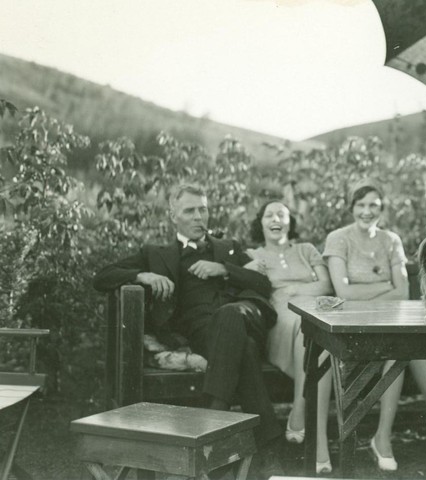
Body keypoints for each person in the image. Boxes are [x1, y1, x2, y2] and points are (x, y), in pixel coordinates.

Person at [92, 183, 283, 477]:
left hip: (243, 315)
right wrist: (142, 274)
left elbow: (262, 284)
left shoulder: (227, 247)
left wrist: (225, 269)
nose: (198, 217)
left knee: (230, 316)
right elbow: (102, 276)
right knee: (240, 347)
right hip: (202, 336)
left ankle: (209, 429)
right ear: (173, 215)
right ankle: (264, 445)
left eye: (203, 209)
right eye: (190, 210)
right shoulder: (156, 253)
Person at [323, 181, 426, 472]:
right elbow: (344, 294)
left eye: (373, 206)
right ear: (352, 207)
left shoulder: (390, 240)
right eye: (361, 205)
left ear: (382, 209)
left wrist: (370, 290)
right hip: (351, 326)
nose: (367, 212)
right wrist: (383, 286)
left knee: (402, 346)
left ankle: (384, 438)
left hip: (389, 321)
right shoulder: (338, 239)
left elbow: (403, 291)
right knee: (403, 344)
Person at [244, 199, 334, 474]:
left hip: (314, 312)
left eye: (281, 214)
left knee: (321, 338)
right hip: (279, 320)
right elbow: (248, 285)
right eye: (269, 214)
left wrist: (294, 291)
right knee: (310, 330)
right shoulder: (253, 254)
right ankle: (318, 446)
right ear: (260, 222)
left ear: (289, 222)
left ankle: (299, 410)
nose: (276, 219)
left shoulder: (306, 250)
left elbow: (326, 284)